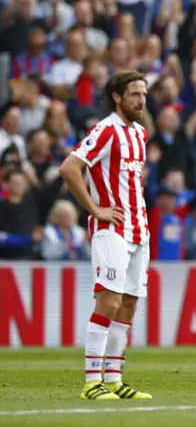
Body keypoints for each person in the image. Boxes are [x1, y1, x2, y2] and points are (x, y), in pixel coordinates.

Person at [59, 71, 152, 401]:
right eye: (134, 94)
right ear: (117, 97)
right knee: (109, 302)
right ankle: (90, 382)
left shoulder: (139, 133)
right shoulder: (106, 129)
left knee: (127, 305)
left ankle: (113, 379)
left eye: (144, 94)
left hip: (139, 230)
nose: (141, 100)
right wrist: (95, 209)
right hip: (111, 230)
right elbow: (70, 168)